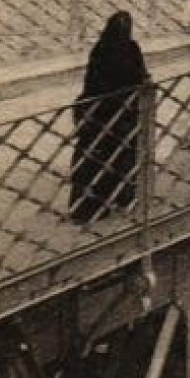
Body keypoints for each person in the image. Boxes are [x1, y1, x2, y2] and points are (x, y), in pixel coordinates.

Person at [70, 12, 150, 223]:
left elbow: (93, 82)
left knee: (98, 156)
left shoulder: (100, 48)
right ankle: (123, 197)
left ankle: (92, 205)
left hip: (100, 111)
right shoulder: (131, 48)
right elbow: (141, 76)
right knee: (123, 152)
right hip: (120, 112)